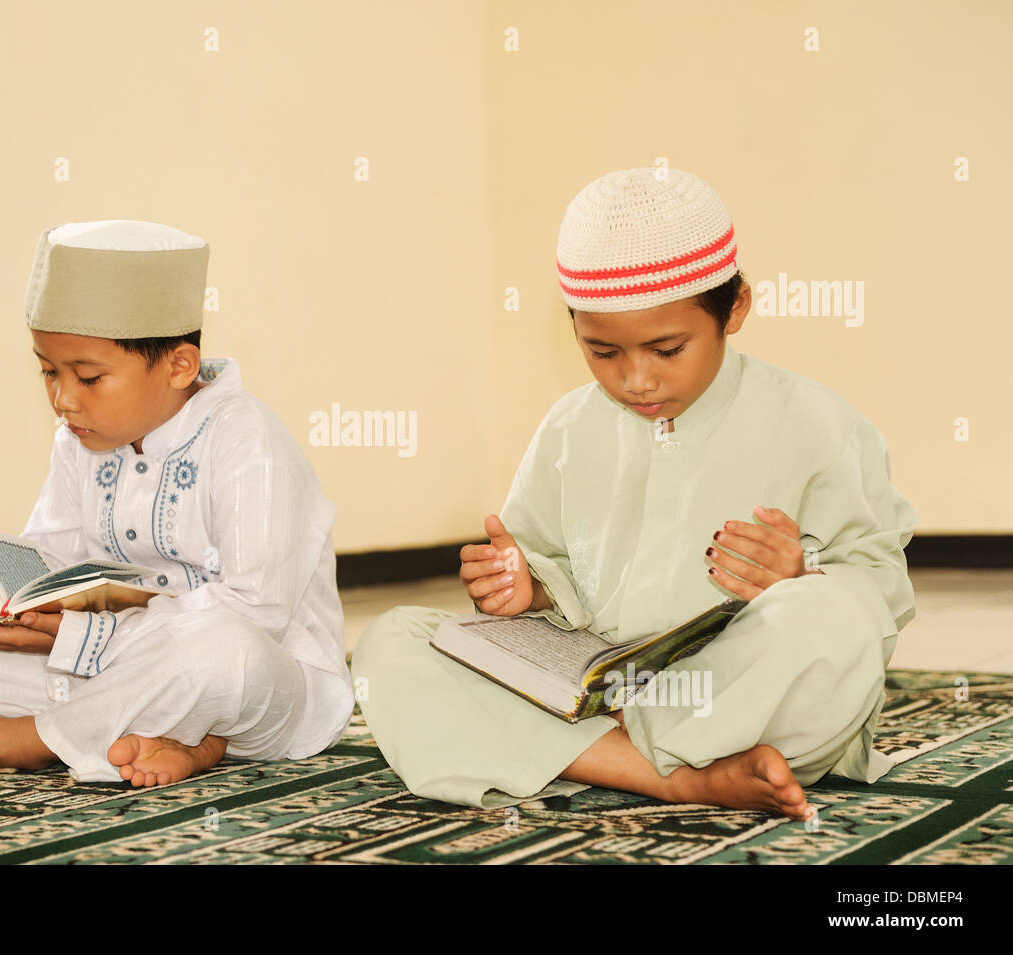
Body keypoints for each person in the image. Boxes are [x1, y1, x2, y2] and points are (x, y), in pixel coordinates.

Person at [351, 168, 917, 821]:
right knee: (391, 642)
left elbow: (880, 591)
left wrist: (802, 572)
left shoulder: (819, 423)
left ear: (734, 310)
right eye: (603, 352)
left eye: (666, 348)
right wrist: (526, 587)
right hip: (601, 683)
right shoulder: (568, 427)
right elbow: (543, 564)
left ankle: (602, 752)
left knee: (837, 620)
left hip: (738, 687)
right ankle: (683, 779)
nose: (637, 379)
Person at [0, 219, 354, 786]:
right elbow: (52, 564)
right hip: (119, 664)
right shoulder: (80, 440)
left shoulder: (247, 440)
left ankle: (27, 739)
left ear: (178, 366)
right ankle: (181, 740)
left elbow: (256, 615)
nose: (61, 399)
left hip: (266, 683)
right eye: (48, 372)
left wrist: (86, 638)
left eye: (88, 377)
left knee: (223, 654)